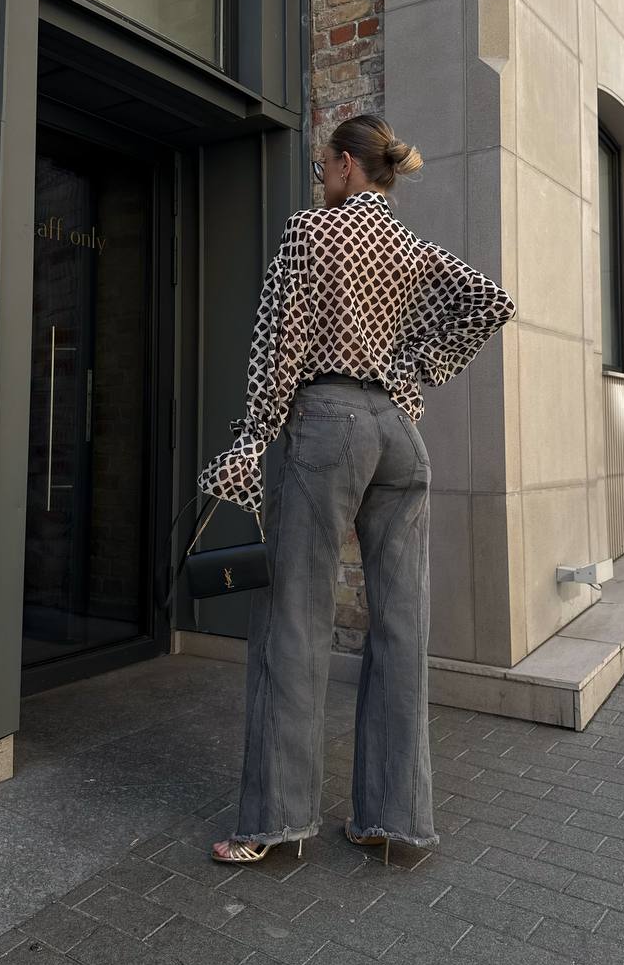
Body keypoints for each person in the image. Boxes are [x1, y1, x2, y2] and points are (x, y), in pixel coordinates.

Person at [196, 113, 517, 865]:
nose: (319, 179)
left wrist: (252, 438)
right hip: (399, 435)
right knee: (402, 626)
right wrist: (415, 372)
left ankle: (274, 822)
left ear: (346, 166)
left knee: (294, 619)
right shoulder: (406, 247)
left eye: (321, 167)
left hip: (327, 426)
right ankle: (390, 819)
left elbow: (278, 343)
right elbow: (490, 300)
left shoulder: (313, 232)